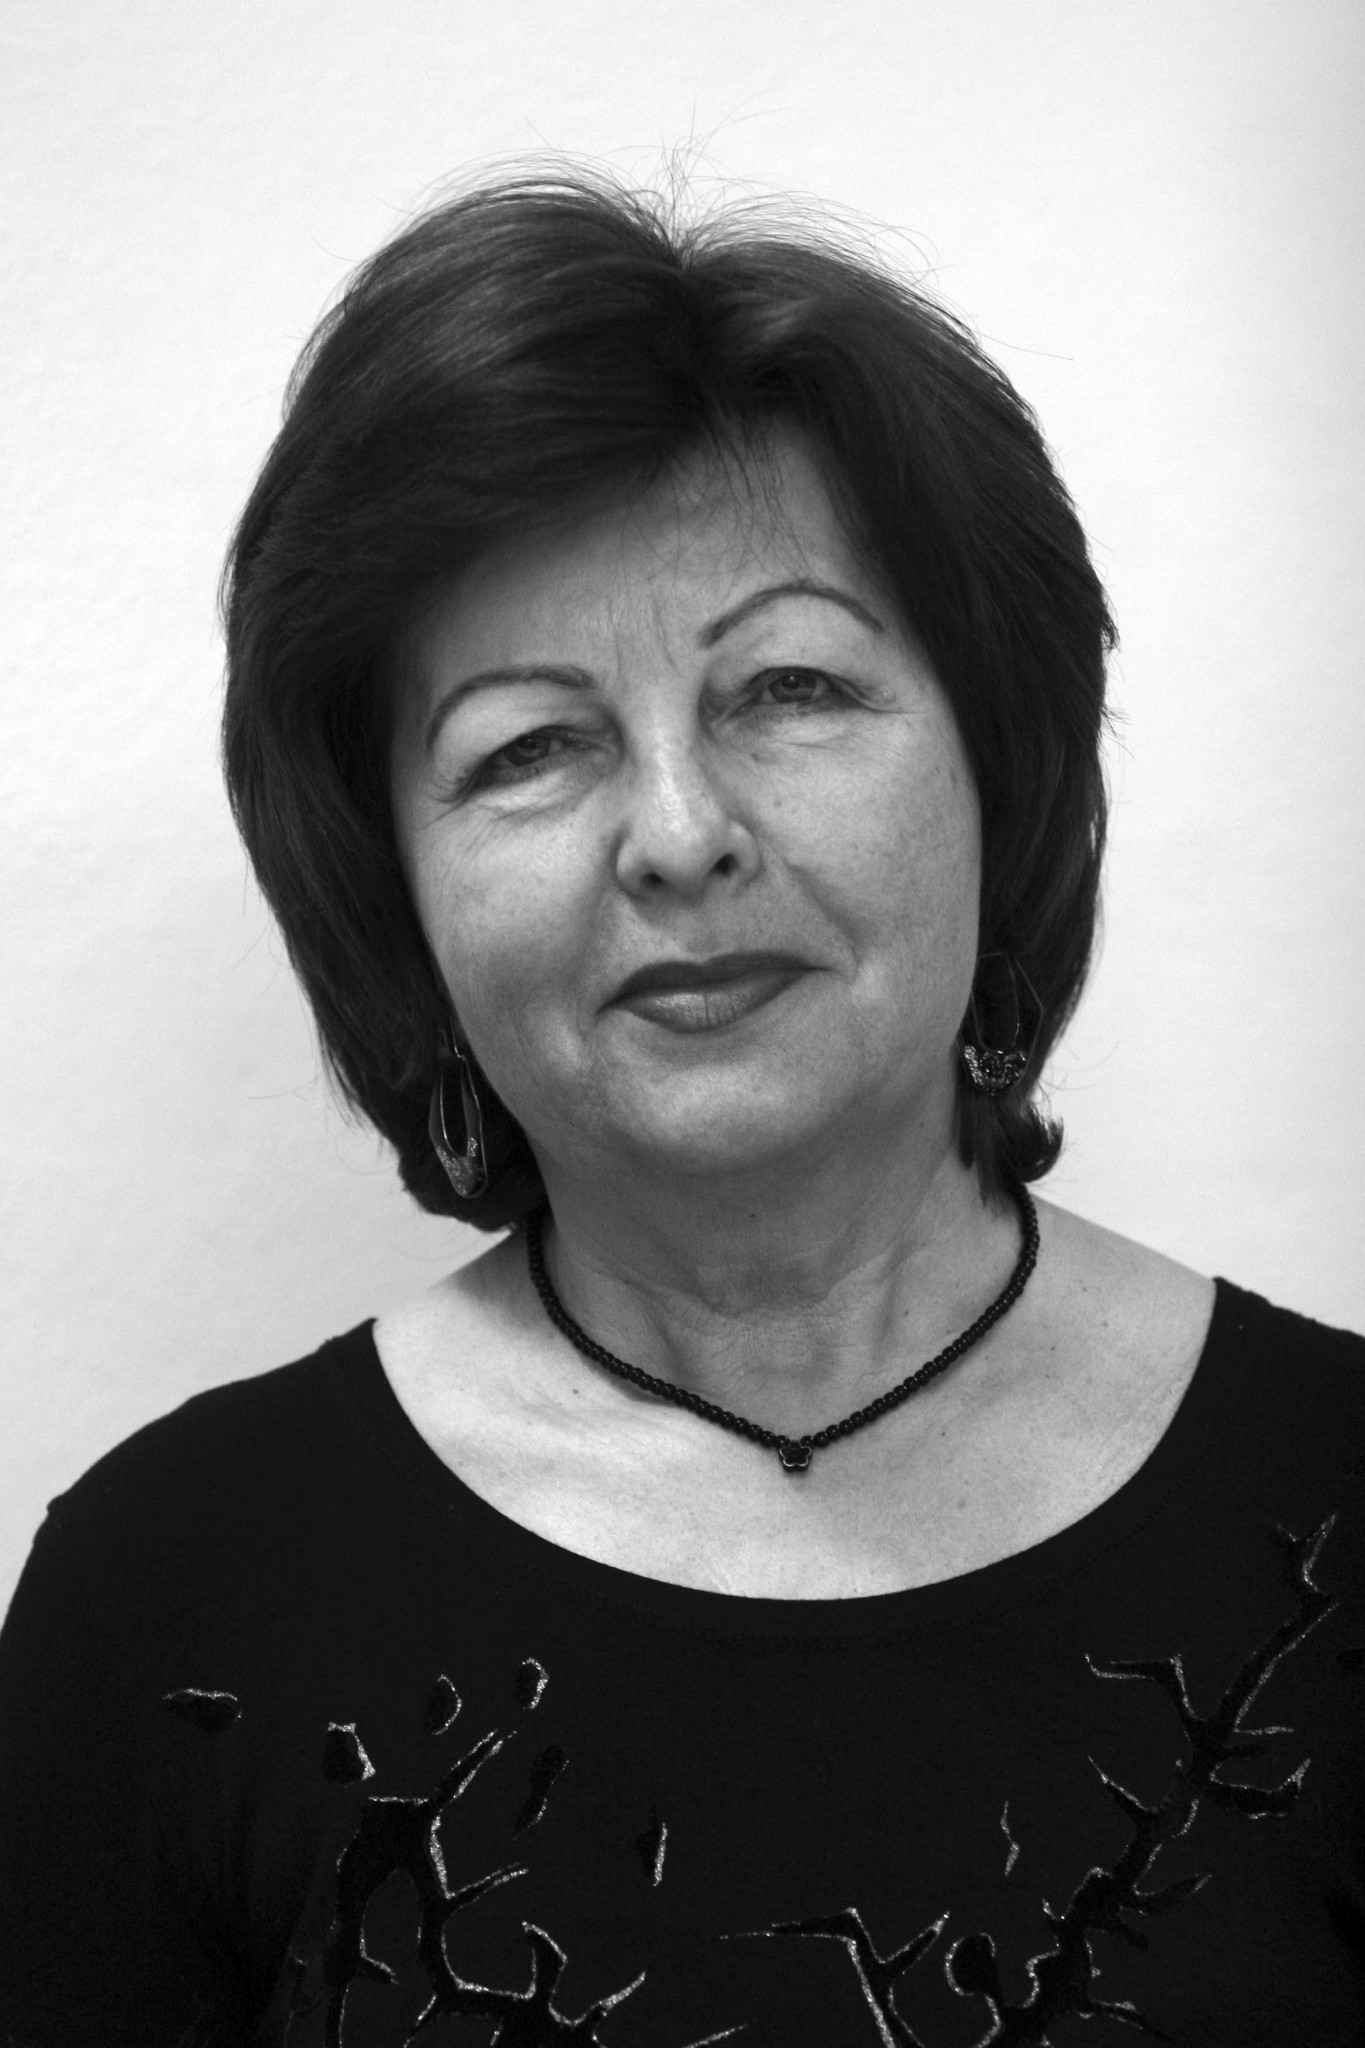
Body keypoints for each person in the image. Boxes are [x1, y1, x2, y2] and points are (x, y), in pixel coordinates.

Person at [1, 160, 1361, 2048]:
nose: (678, 832)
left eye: (788, 686)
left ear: (1001, 765)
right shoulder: (169, 1606)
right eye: (529, 746)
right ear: (397, 892)